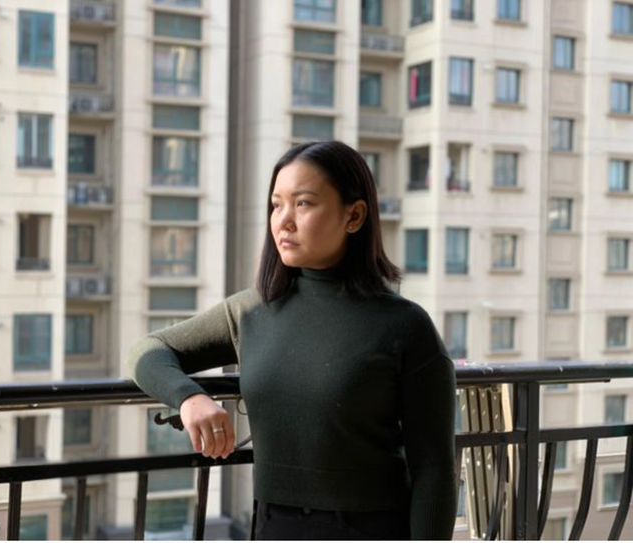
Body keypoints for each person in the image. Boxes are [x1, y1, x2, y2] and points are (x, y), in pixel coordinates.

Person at [127, 140, 458, 540]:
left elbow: (435, 470)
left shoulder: (405, 326)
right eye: (276, 204)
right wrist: (188, 397)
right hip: (273, 526)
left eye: (303, 203)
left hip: (370, 528)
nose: (283, 220)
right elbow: (148, 351)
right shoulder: (250, 311)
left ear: (354, 216)